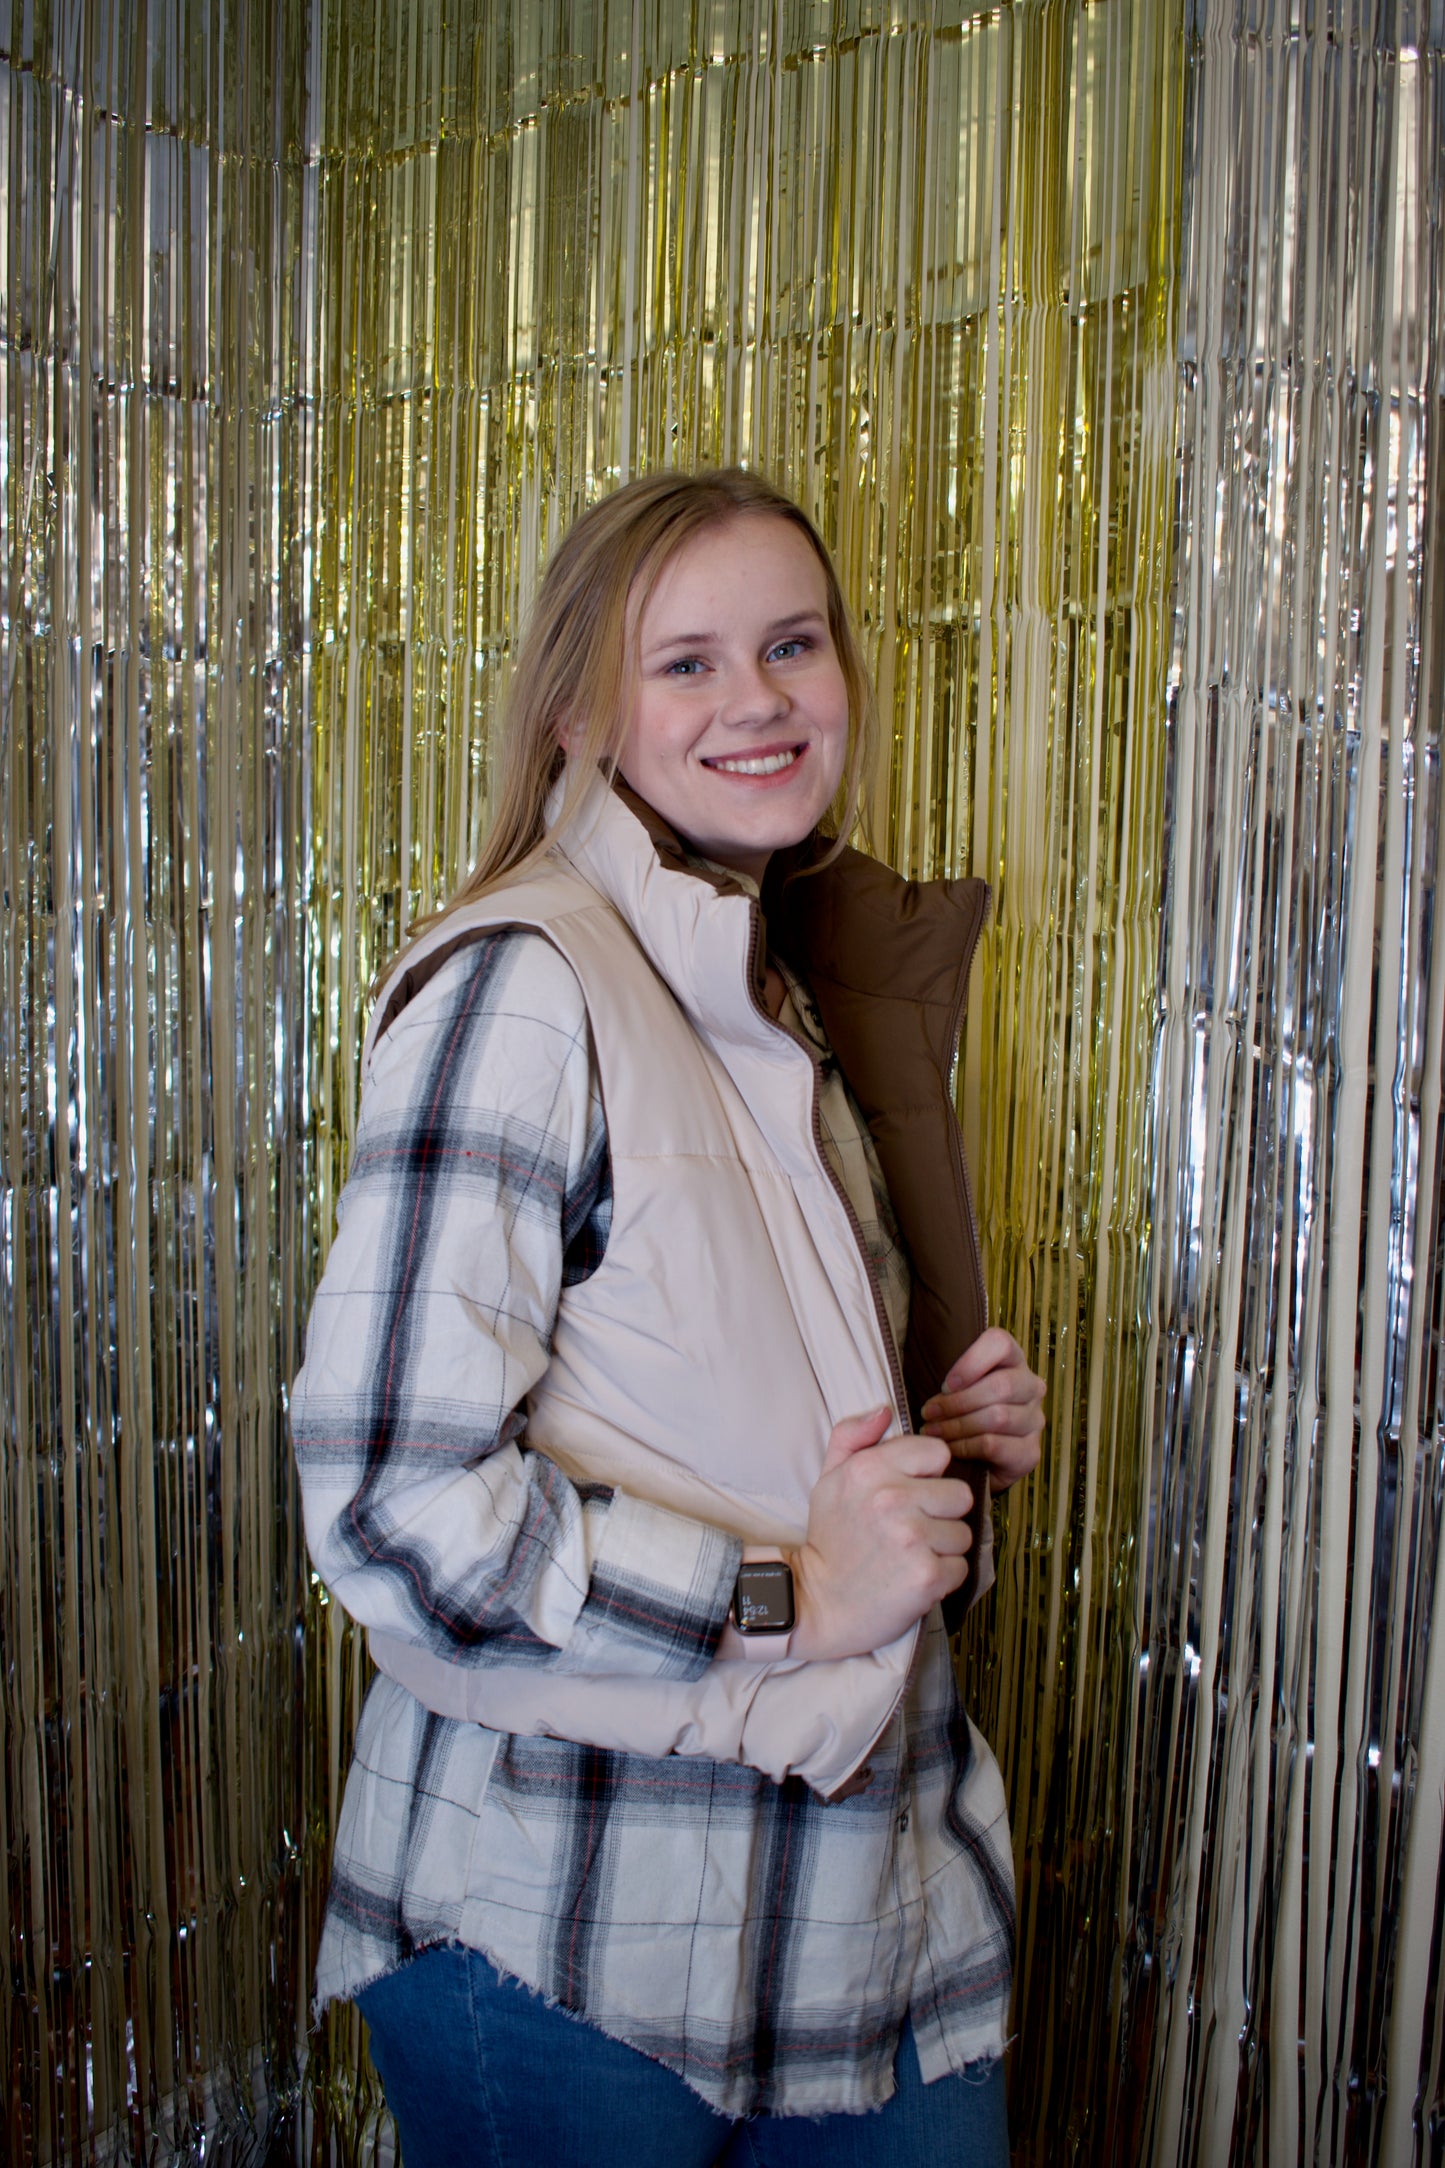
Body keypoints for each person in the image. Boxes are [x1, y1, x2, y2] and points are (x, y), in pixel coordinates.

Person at [291, 467, 1045, 2166]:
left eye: (790, 644)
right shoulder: (524, 988)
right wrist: (792, 1588)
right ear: (578, 711)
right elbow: (390, 1506)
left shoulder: (779, 983)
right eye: (685, 661)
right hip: (578, 1948)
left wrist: (935, 1454)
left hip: (877, 1930)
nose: (757, 699)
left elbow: (704, 1395)